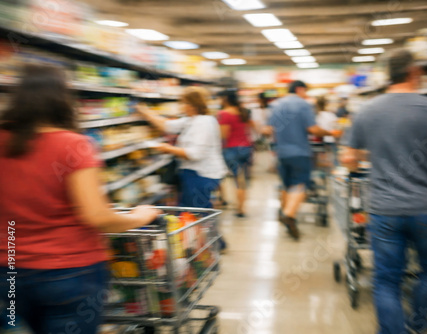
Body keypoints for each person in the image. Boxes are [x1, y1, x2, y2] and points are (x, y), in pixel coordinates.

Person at [0, 64, 160, 334]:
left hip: (10, 269)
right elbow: (96, 216)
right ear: (63, 100)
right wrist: (141, 215)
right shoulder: (72, 144)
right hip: (70, 271)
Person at [341, 49, 427, 334]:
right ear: (414, 72)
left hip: (385, 210)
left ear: (388, 75)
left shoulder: (368, 110)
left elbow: (347, 158)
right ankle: (419, 327)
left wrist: (372, 158)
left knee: (387, 280)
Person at [136, 87, 228, 250]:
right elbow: (167, 126)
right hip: (193, 173)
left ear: (192, 104)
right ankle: (211, 244)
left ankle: (204, 246)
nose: (181, 106)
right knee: (198, 210)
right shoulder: (190, 120)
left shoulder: (204, 123)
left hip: (202, 174)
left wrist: (166, 148)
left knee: (195, 212)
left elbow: (195, 154)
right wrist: (145, 112)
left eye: (183, 102)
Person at [264, 81, 336, 240]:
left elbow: (267, 130)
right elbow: (313, 129)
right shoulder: (303, 104)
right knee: (300, 184)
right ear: (299, 89)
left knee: (287, 185)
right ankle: (288, 215)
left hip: (281, 153)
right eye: (305, 92)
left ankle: (287, 213)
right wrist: (332, 132)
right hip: (300, 152)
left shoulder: (275, 105)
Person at [218, 89, 254, 218]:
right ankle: (241, 208)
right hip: (246, 148)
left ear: (225, 99)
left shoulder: (224, 114)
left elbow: (223, 135)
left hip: (232, 150)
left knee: (229, 177)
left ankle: (224, 201)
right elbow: (253, 127)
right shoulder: (243, 111)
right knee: (242, 180)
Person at [315, 96, 340, 166]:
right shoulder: (331, 115)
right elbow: (337, 127)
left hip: (319, 142)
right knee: (333, 160)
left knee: (321, 162)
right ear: (326, 104)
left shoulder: (316, 116)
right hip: (331, 140)